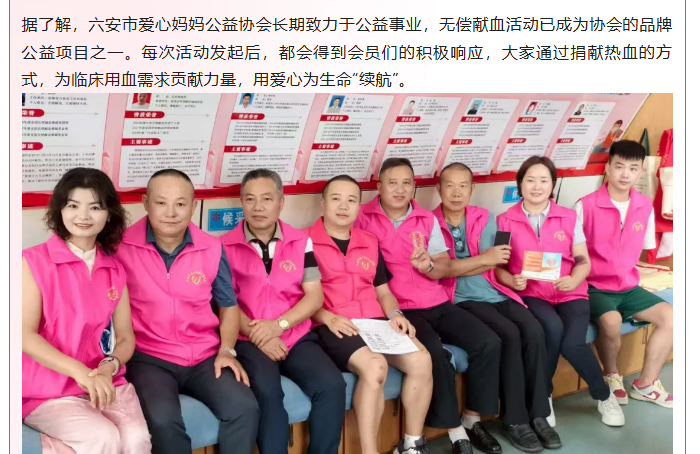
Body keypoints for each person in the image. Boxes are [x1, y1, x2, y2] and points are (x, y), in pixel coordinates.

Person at [355, 157, 503, 454]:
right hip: (400, 308)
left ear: (414, 187)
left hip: (435, 300)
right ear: (379, 187)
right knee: (435, 353)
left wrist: (428, 266)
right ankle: (455, 431)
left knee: (489, 341)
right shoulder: (362, 219)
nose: (400, 189)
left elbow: (444, 265)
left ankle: (472, 417)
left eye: (407, 183)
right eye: (392, 183)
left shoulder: (426, 219)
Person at [117, 169, 259, 454]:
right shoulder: (120, 246)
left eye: (180, 204)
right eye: (161, 203)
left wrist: (226, 350)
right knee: (162, 420)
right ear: (145, 203)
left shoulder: (211, 247)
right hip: (149, 357)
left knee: (245, 408)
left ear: (193, 206)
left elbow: (228, 305)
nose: (171, 213)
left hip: (204, 355)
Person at [22, 168, 151, 454]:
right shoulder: (32, 262)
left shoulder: (115, 269)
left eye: (95, 207)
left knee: (136, 438)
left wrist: (109, 367)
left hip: (104, 380)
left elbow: (125, 338)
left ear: (109, 214)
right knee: (102, 438)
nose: (83, 216)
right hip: (46, 389)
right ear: (60, 210)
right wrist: (79, 372)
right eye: (73, 205)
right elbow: (24, 335)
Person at [434, 163, 561, 453]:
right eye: (450, 185)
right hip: (461, 298)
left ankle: (538, 413)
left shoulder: (485, 217)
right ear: (439, 189)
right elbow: (443, 271)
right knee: (509, 334)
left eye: (463, 186)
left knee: (534, 330)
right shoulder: (430, 222)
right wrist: (480, 260)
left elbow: (498, 259)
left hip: (495, 290)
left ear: (472, 189)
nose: (456, 192)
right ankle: (514, 419)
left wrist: (468, 265)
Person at [221, 169, 346, 454]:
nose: (258, 207)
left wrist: (279, 326)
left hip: (295, 334)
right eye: (250, 199)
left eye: (267, 199)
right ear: (241, 202)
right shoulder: (223, 247)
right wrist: (260, 335)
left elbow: (314, 296)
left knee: (332, 385)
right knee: (267, 391)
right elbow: (224, 303)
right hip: (248, 338)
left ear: (281, 202)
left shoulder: (301, 241)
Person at [495, 156, 625, 429]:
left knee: (572, 343)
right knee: (551, 330)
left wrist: (573, 279)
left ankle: (604, 396)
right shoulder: (504, 221)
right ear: (520, 184)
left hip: (570, 292)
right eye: (530, 180)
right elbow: (498, 267)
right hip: (532, 294)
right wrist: (511, 280)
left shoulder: (569, 216)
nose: (537, 186)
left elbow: (583, 261)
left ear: (552, 184)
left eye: (544, 180)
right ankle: (544, 396)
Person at [310, 175, 434, 454]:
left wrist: (396, 314)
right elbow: (300, 298)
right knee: (375, 367)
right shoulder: (304, 242)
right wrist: (327, 317)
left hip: (375, 322)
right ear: (323, 203)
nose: (344, 206)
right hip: (335, 324)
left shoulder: (369, 240)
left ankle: (412, 445)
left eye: (351, 200)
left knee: (422, 359)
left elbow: (383, 291)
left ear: (359, 206)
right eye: (336, 199)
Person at [575, 140, 673, 408]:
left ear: (641, 172)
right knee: (611, 321)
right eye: (619, 166)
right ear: (607, 168)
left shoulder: (644, 205)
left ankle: (646, 384)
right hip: (593, 286)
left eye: (632, 168)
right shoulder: (585, 205)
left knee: (673, 317)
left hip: (628, 287)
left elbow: (640, 249)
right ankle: (612, 376)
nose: (625, 174)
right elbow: (570, 253)